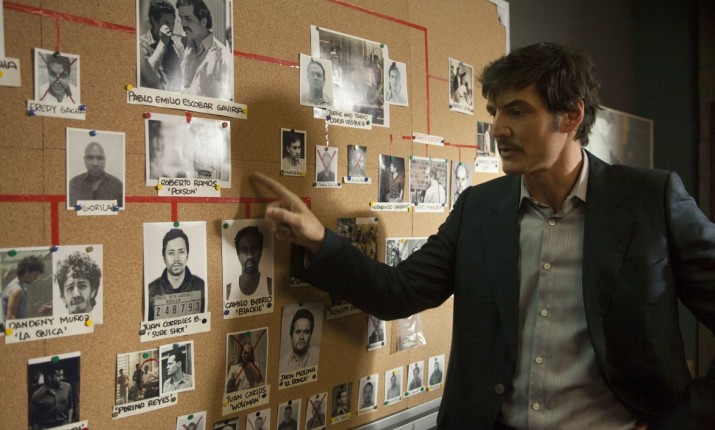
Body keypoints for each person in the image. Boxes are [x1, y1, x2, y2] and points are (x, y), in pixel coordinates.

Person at [251, 41, 715, 429]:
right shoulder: (480, 209)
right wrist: (318, 240)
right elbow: (399, 292)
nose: (498, 129)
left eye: (518, 111)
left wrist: (688, 418)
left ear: (571, 117)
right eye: (495, 112)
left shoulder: (651, 201)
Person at [176, 0, 232, 100]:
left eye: (188, 19)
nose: (183, 24)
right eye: (181, 18)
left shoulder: (222, 57)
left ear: (203, 21)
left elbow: (231, 99)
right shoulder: (188, 50)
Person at [147, 228, 205, 320]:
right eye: (171, 253)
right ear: (164, 257)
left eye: (181, 252)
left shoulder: (202, 287)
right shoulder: (149, 292)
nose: (176, 259)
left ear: (187, 255)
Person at [139, 0, 184, 92]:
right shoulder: (141, 44)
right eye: (166, 23)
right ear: (154, 21)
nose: (171, 28)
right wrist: (163, 43)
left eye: (172, 23)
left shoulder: (178, 46)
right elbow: (148, 77)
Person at [68, 141, 124, 208]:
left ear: (105, 160)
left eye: (100, 158)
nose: (95, 164)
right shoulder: (73, 184)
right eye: (90, 158)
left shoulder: (118, 186)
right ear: (84, 159)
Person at [226, 226, 272, 301]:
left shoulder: (270, 285)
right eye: (244, 250)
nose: (249, 255)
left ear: (260, 252)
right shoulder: (228, 290)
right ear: (238, 255)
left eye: (254, 249)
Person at [30, 363, 76, 429]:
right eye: (58, 376)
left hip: (63, 425)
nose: (62, 378)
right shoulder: (37, 395)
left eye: (62, 375)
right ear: (50, 377)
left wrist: (69, 420)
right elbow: (33, 417)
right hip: (46, 426)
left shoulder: (67, 387)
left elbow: (70, 406)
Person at [1, 255, 44, 326]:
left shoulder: (20, 288)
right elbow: (11, 318)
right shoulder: (16, 290)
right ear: (27, 271)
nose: (36, 278)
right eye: (35, 275)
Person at [279, 308, 320, 372]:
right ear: (291, 335)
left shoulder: (319, 356)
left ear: (310, 335)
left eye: (306, 332)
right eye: (298, 332)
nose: (301, 337)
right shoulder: (282, 365)